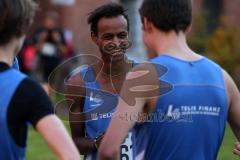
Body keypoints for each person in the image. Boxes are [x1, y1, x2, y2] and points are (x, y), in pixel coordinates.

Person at [99, 0, 240, 159]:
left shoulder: (144, 76)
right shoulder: (223, 78)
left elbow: (108, 151)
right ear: (188, 25)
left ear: (146, 23)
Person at [0, 0, 80, 159]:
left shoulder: (59, 33)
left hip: (55, 66)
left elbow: (66, 51)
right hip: (42, 68)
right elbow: (71, 156)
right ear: (23, 27)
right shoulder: (24, 89)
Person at [66, 3, 134, 160]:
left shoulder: (145, 77)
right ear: (94, 38)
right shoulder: (78, 84)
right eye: (108, 37)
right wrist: (98, 143)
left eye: (122, 35)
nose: (116, 43)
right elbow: (75, 143)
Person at [33, 11, 68, 95]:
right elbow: (34, 49)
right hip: (42, 63)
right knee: (42, 84)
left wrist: (57, 41)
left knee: (53, 85)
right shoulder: (40, 31)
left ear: (55, 22)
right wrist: (42, 39)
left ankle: (51, 103)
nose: (49, 23)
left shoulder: (59, 32)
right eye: (48, 20)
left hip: (55, 63)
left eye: (51, 21)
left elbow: (64, 50)